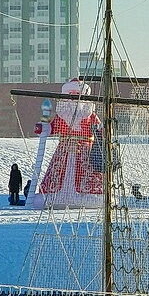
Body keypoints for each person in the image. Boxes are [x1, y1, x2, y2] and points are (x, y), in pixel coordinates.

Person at [30, 78, 104, 209]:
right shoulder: (62, 116)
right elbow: (52, 127)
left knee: (85, 173)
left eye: (77, 96)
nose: (74, 100)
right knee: (59, 172)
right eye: (71, 96)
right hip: (64, 149)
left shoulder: (90, 115)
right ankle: (54, 195)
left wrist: (102, 131)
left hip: (85, 150)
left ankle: (88, 195)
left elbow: (99, 129)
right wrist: (44, 128)